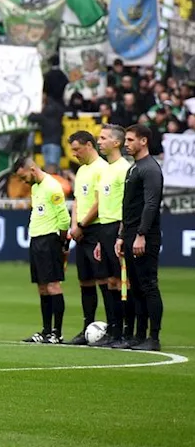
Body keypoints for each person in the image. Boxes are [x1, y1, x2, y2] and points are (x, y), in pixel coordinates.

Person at [116, 124, 164, 351]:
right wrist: (121, 235)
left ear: (144, 141)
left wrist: (141, 234)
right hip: (130, 235)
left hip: (144, 236)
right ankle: (138, 335)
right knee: (135, 287)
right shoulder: (134, 169)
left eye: (130, 139)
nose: (126, 144)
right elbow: (128, 206)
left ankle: (153, 338)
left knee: (148, 285)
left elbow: (151, 205)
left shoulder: (151, 169)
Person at [16, 154, 70, 344]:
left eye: (23, 177)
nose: (23, 181)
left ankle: (57, 332)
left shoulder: (52, 186)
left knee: (53, 285)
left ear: (32, 169)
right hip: (37, 239)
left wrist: (63, 241)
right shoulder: (36, 187)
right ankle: (46, 331)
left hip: (50, 240)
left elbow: (64, 218)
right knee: (41, 286)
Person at [66, 130, 110, 345]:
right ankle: (87, 328)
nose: (74, 154)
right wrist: (74, 225)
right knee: (85, 281)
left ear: (89, 145)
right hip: (81, 231)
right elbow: (76, 201)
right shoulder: (82, 170)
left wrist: (82, 225)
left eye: (77, 149)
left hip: (96, 229)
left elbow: (100, 201)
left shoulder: (102, 169)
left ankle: (113, 328)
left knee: (104, 279)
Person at [95, 125, 128, 348]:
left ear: (116, 143)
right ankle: (113, 328)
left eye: (103, 138)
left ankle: (125, 330)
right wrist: (100, 239)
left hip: (117, 228)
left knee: (123, 282)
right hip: (104, 229)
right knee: (110, 282)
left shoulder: (123, 169)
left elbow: (128, 205)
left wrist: (122, 234)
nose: (99, 141)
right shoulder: (106, 169)